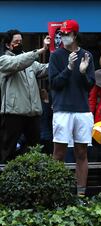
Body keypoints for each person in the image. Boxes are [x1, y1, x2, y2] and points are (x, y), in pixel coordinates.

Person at [48, 19, 95, 197]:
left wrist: (83, 73)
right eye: (61, 33)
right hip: (62, 109)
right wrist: (68, 68)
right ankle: (56, 192)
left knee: (81, 152)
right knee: (58, 153)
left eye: (67, 33)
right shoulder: (56, 56)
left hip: (82, 109)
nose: (63, 36)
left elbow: (90, 85)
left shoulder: (87, 56)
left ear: (75, 35)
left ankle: (81, 194)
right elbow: (54, 84)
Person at [0, 29, 50, 162]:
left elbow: (44, 69)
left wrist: (62, 61)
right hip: (13, 113)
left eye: (21, 41)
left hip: (32, 113)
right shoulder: (3, 60)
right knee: (8, 150)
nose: (19, 43)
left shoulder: (30, 61)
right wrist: (40, 50)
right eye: (16, 42)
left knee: (35, 150)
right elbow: (18, 63)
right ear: (7, 45)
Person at [39, 89, 53, 154]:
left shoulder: (48, 105)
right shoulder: (39, 106)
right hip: (44, 135)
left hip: (47, 135)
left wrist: (46, 101)